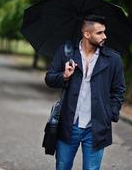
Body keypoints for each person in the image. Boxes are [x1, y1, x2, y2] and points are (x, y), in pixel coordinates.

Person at [45, 14, 126, 170]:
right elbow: (49, 78)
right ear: (86, 34)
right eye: (99, 33)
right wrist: (64, 76)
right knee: (62, 167)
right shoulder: (66, 52)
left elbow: (119, 90)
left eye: (104, 32)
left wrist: (110, 114)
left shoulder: (113, 59)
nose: (105, 36)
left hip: (96, 128)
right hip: (69, 124)